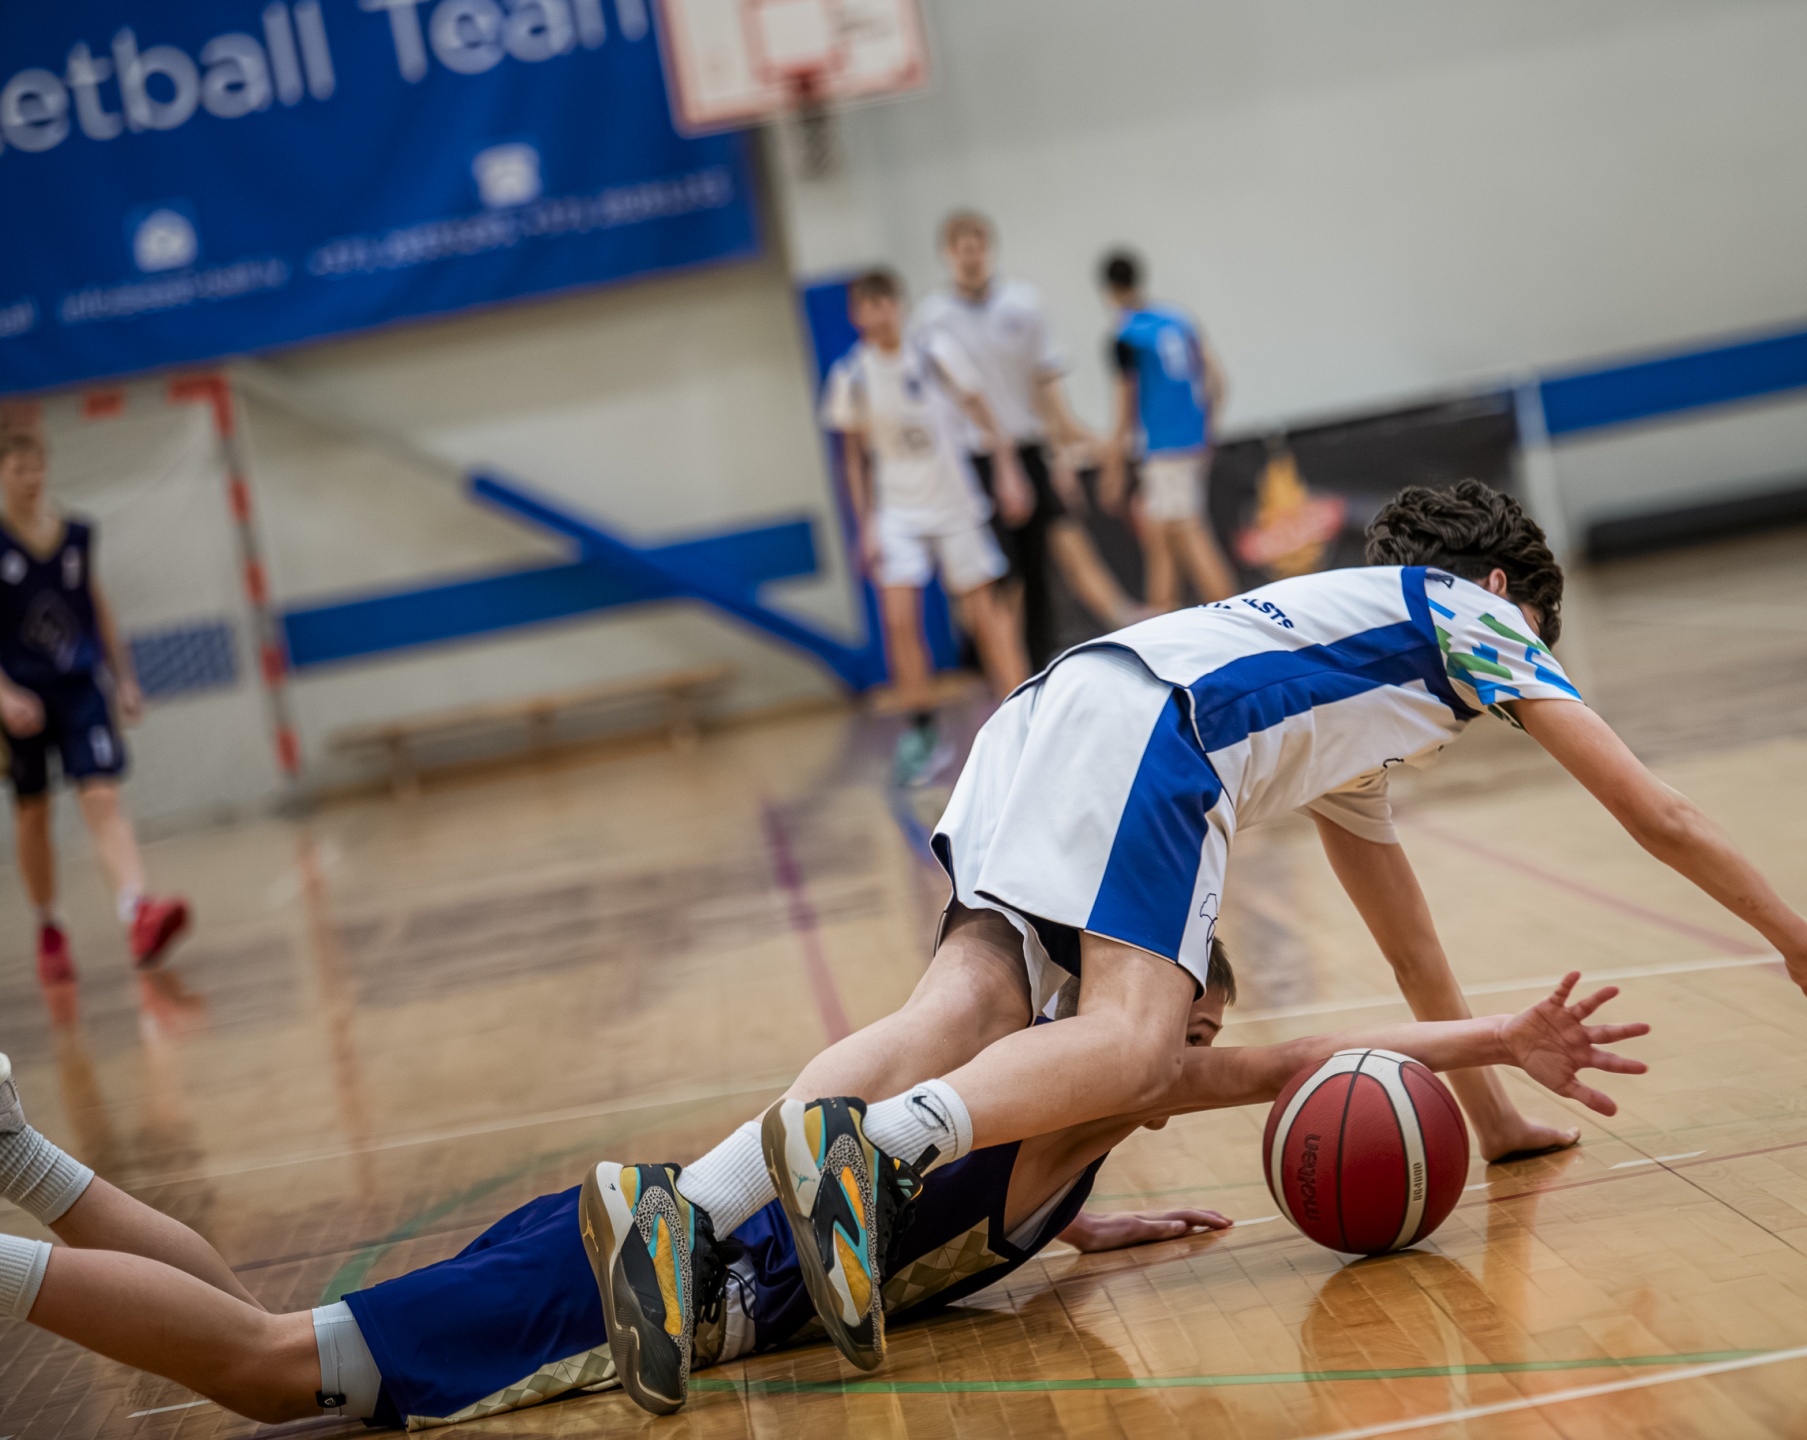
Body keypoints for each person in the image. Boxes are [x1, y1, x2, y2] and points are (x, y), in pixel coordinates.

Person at [728, 477, 1807, 1373]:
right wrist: (1798, 939)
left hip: (1049, 708)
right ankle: (880, 1151)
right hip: (1158, 726)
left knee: (960, 1007)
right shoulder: (1473, 617)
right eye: (1540, 638)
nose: (1533, 672)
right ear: (1507, 593)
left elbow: (1410, 948)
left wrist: (1496, 1121)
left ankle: (700, 1206)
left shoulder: (1346, 698)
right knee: (1139, 1045)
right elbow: (1657, 812)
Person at [0, 949, 1649, 1424]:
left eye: (1190, 1036)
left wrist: (1074, 1236)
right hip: (612, 1292)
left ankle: (15, 1154)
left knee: (254, 1333)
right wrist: (1494, 1036)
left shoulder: (1056, 1134)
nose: (1179, 1064)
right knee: (264, 1371)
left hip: (632, 1239)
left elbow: (963, 1212)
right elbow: (1309, 1062)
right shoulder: (1102, 1082)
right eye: (1175, 1034)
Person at [826, 269, 1034, 784]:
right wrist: (864, 526)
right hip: (897, 511)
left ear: (898, 304)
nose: (877, 314)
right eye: (867, 305)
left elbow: (984, 411)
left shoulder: (935, 352)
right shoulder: (851, 376)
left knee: (985, 615)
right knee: (899, 619)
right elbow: (853, 459)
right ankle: (922, 732)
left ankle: (1024, 721)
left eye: (884, 302)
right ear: (855, 314)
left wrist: (1007, 469)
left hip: (955, 502)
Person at [913, 211, 1146, 670]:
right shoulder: (932, 320)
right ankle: (1005, 676)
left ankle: (1104, 631)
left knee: (1052, 555)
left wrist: (1063, 451)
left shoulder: (1022, 304)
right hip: (975, 458)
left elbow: (1046, 387)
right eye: (962, 248)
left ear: (989, 248)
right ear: (948, 254)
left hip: (1028, 447)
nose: (971, 256)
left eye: (978, 245)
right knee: (1002, 578)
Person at [0, 432, 187, 983]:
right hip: (21, 695)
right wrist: (3, 694)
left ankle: (137, 910)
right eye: (18, 469)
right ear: (2, 474)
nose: (30, 479)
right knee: (34, 812)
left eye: (36, 468)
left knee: (103, 796)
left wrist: (123, 678)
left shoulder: (77, 535)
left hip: (80, 686)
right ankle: (49, 925)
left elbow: (98, 608)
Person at [1098, 250, 1239, 610]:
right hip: (1192, 441)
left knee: (1188, 530)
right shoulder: (1178, 320)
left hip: (1163, 447)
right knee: (1158, 533)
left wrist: (1113, 465)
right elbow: (1217, 380)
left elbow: (1125, 406)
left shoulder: (1126, 336)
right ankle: (1161, 614)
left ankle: (1236, 612)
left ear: (1108, 289)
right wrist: (1207, 430)